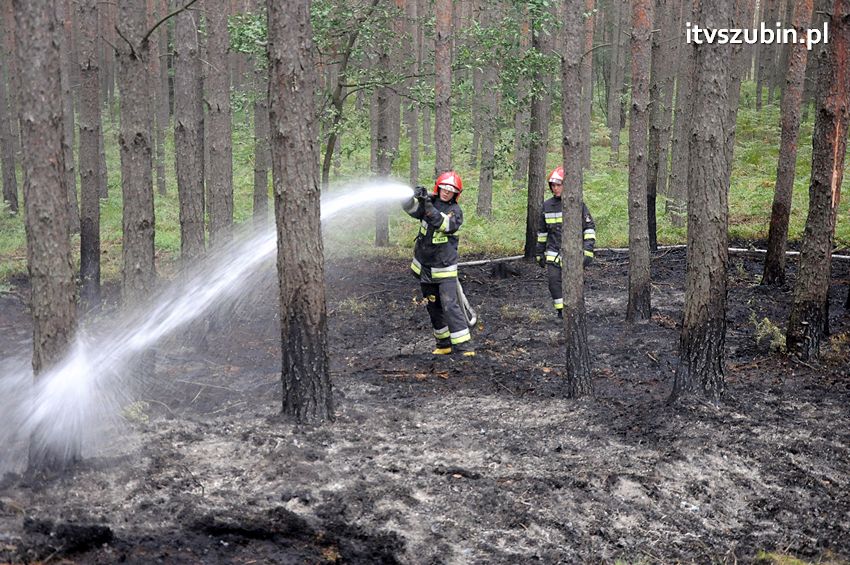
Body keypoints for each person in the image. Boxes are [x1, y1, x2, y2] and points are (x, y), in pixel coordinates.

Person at [402, 171, 475, 356]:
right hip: (426, 268)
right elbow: (412, 211)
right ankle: (443, 345)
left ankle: (464, 347)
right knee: (433, 306)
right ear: (438, 187)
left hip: (444, 269)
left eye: (451, 191)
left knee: (450, 305)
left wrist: (427, 203)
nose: (446, 193)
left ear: (456, 194)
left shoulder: (455, 212)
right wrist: (410, 197)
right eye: (444, 188)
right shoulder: (431, 202)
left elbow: (442, 223)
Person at [534, 166, 596, 317]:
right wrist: (539, 252)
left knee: (573, 285)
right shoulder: (546, 206)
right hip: (553, 252)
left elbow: (589, 229)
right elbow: (542, 233)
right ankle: (561, 312)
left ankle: (575, 311)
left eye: (558, 185)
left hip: (574, 253)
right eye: (553, 185)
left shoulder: (578, 204)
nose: (555, 188)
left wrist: (587, 251)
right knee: (553, 282)